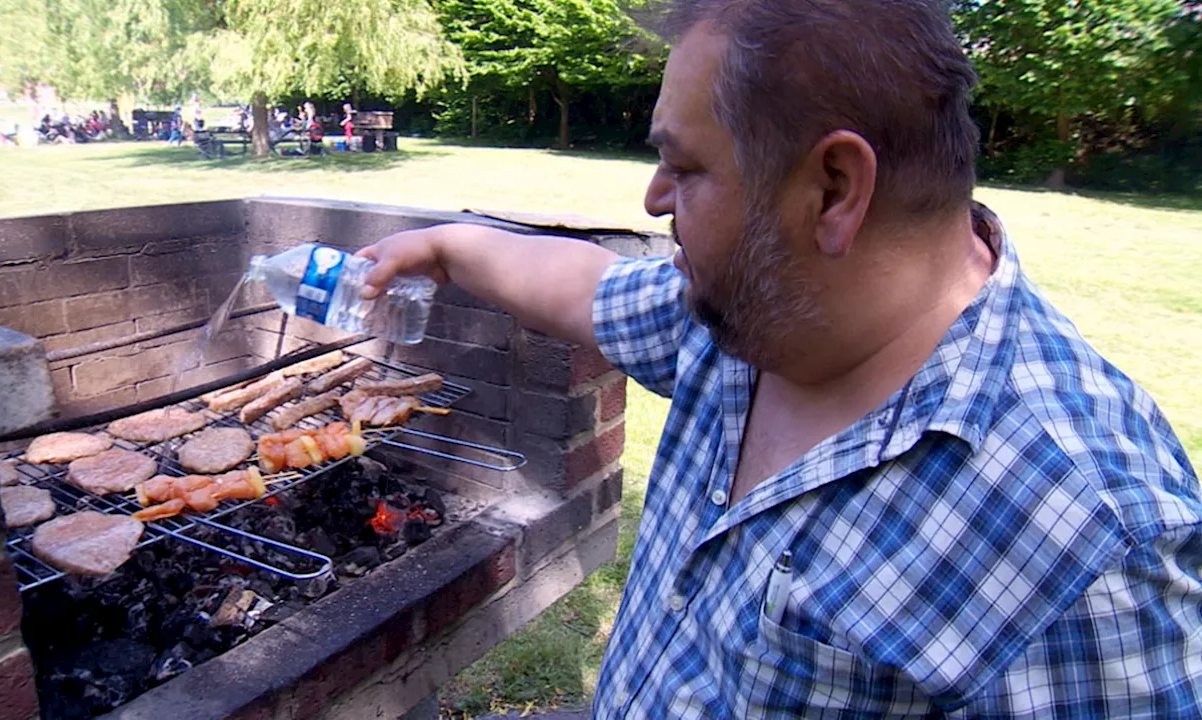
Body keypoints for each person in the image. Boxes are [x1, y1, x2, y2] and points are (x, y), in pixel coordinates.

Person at [359, 0, 1202, 716]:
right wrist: (445, 244)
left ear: (833, 188)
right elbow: (586, 286)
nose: (654, 199)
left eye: (682, 166)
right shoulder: (758, 315)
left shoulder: (1089, 549)